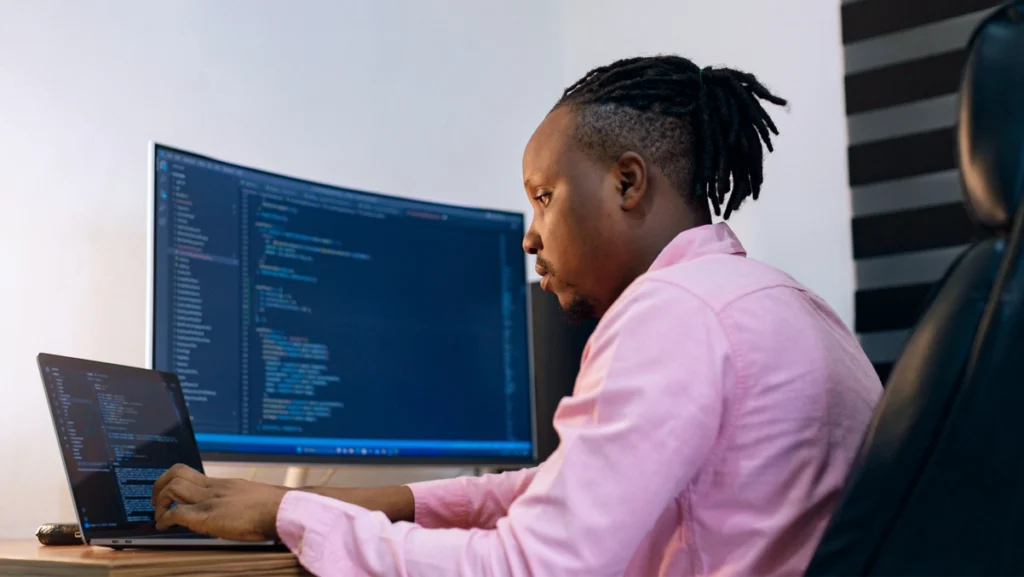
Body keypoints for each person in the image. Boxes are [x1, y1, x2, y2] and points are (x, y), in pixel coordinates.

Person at [151, 55, 882, 576]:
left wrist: (291, 517)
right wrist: (374, 501)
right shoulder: (781, 304)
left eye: (544, 196)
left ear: (627, 181)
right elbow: (557, 487)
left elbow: (530, 565)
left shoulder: (674, 314)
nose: (529, 235)